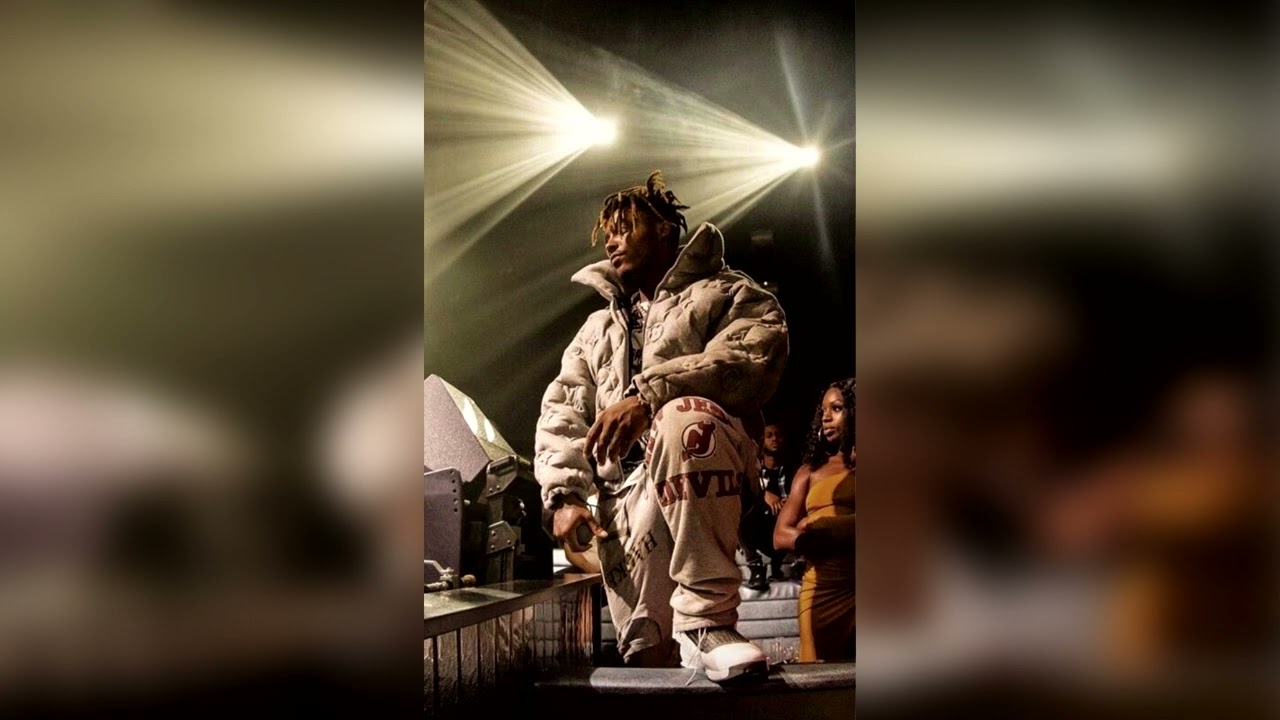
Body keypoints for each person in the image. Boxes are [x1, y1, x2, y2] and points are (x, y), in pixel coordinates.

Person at [534, 171, 789, 682]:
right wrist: (564, 496)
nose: (612, 241)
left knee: (683, 417)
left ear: (665, 229)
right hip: (626, 501)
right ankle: (683, 646)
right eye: (608, 233)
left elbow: (753, 355)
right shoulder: (596, 329)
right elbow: (563, 409)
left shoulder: (726, 292)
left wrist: (649, 397)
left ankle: (708, 620)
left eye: (625, 227)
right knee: (649, 661)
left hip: (702, 473)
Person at [774, 379, 855, 662]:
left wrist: (826, 526)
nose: (826, 417)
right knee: (820, 676)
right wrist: (812, 536)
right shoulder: (811, 471)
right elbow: (780, 535)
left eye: (837, 408)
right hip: (823, 592)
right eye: (823, 410)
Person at [740, 423, 791, 590]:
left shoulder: (794, 470)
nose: (774, 439)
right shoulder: (753, 470)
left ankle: (782, 565)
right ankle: (756, 567)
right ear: (762, 440)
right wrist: (764, 495)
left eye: (778, 435)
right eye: (769, 436)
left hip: (784, 527)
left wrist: (790, 503)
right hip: (760, 529)